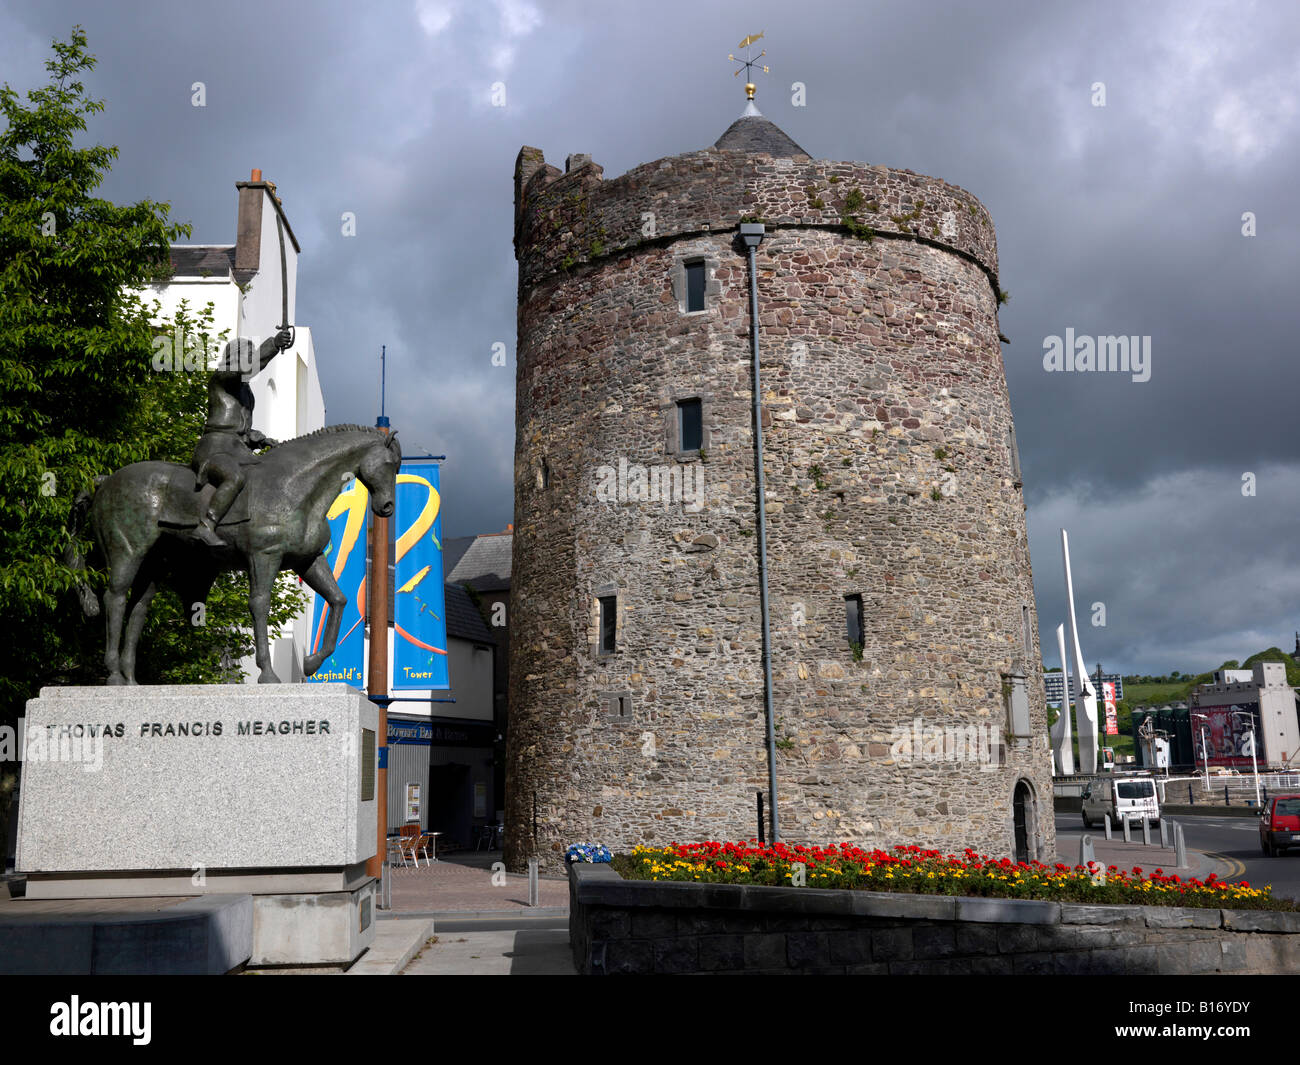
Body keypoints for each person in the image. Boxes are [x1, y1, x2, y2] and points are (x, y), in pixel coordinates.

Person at [189, 328, 293, 547]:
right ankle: (206, 525)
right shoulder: (221, 377)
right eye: (247, 354)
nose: (251, 358)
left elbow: (241, 430)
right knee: (234, 477)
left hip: (237, 449)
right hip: (214, 449)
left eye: (252, 353)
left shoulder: (246, 391)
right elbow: (247, 368)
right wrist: (273, 344)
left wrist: (261, 439)